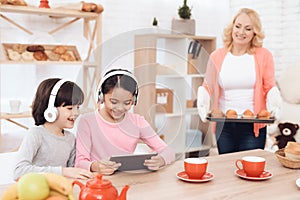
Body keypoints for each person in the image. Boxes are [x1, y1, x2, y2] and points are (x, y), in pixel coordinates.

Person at [197, 8, 282, 154]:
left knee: (250, 169)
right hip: (224, 126)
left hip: (253, 126)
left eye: (248, 28)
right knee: (228, 169)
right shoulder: (217, 56)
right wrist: (203, 96)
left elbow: (269, 86)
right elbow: (208, 85)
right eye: (238, 26)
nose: (241, 32)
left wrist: (274, 100)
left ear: (254, 32)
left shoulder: (264, 55)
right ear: (232, 27)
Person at [75, 68, 175, 175]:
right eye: (113, 102)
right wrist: (95, 166)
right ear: (101, 97)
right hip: (97, 181)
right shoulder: (87, 121)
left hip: (125, 179)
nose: (120, 108)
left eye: (127, 103)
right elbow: (79, 162)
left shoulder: (138, 121)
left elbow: (168, 152)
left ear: (134, 100)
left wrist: (161, 160)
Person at [14, 78, 94, 180]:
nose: (76, 113)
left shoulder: (70, 138)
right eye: (70, 108)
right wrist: (62, 171)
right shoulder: (36, 134)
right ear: (51, 110)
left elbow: (73, 171)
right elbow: (19, 172)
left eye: (77, 107)